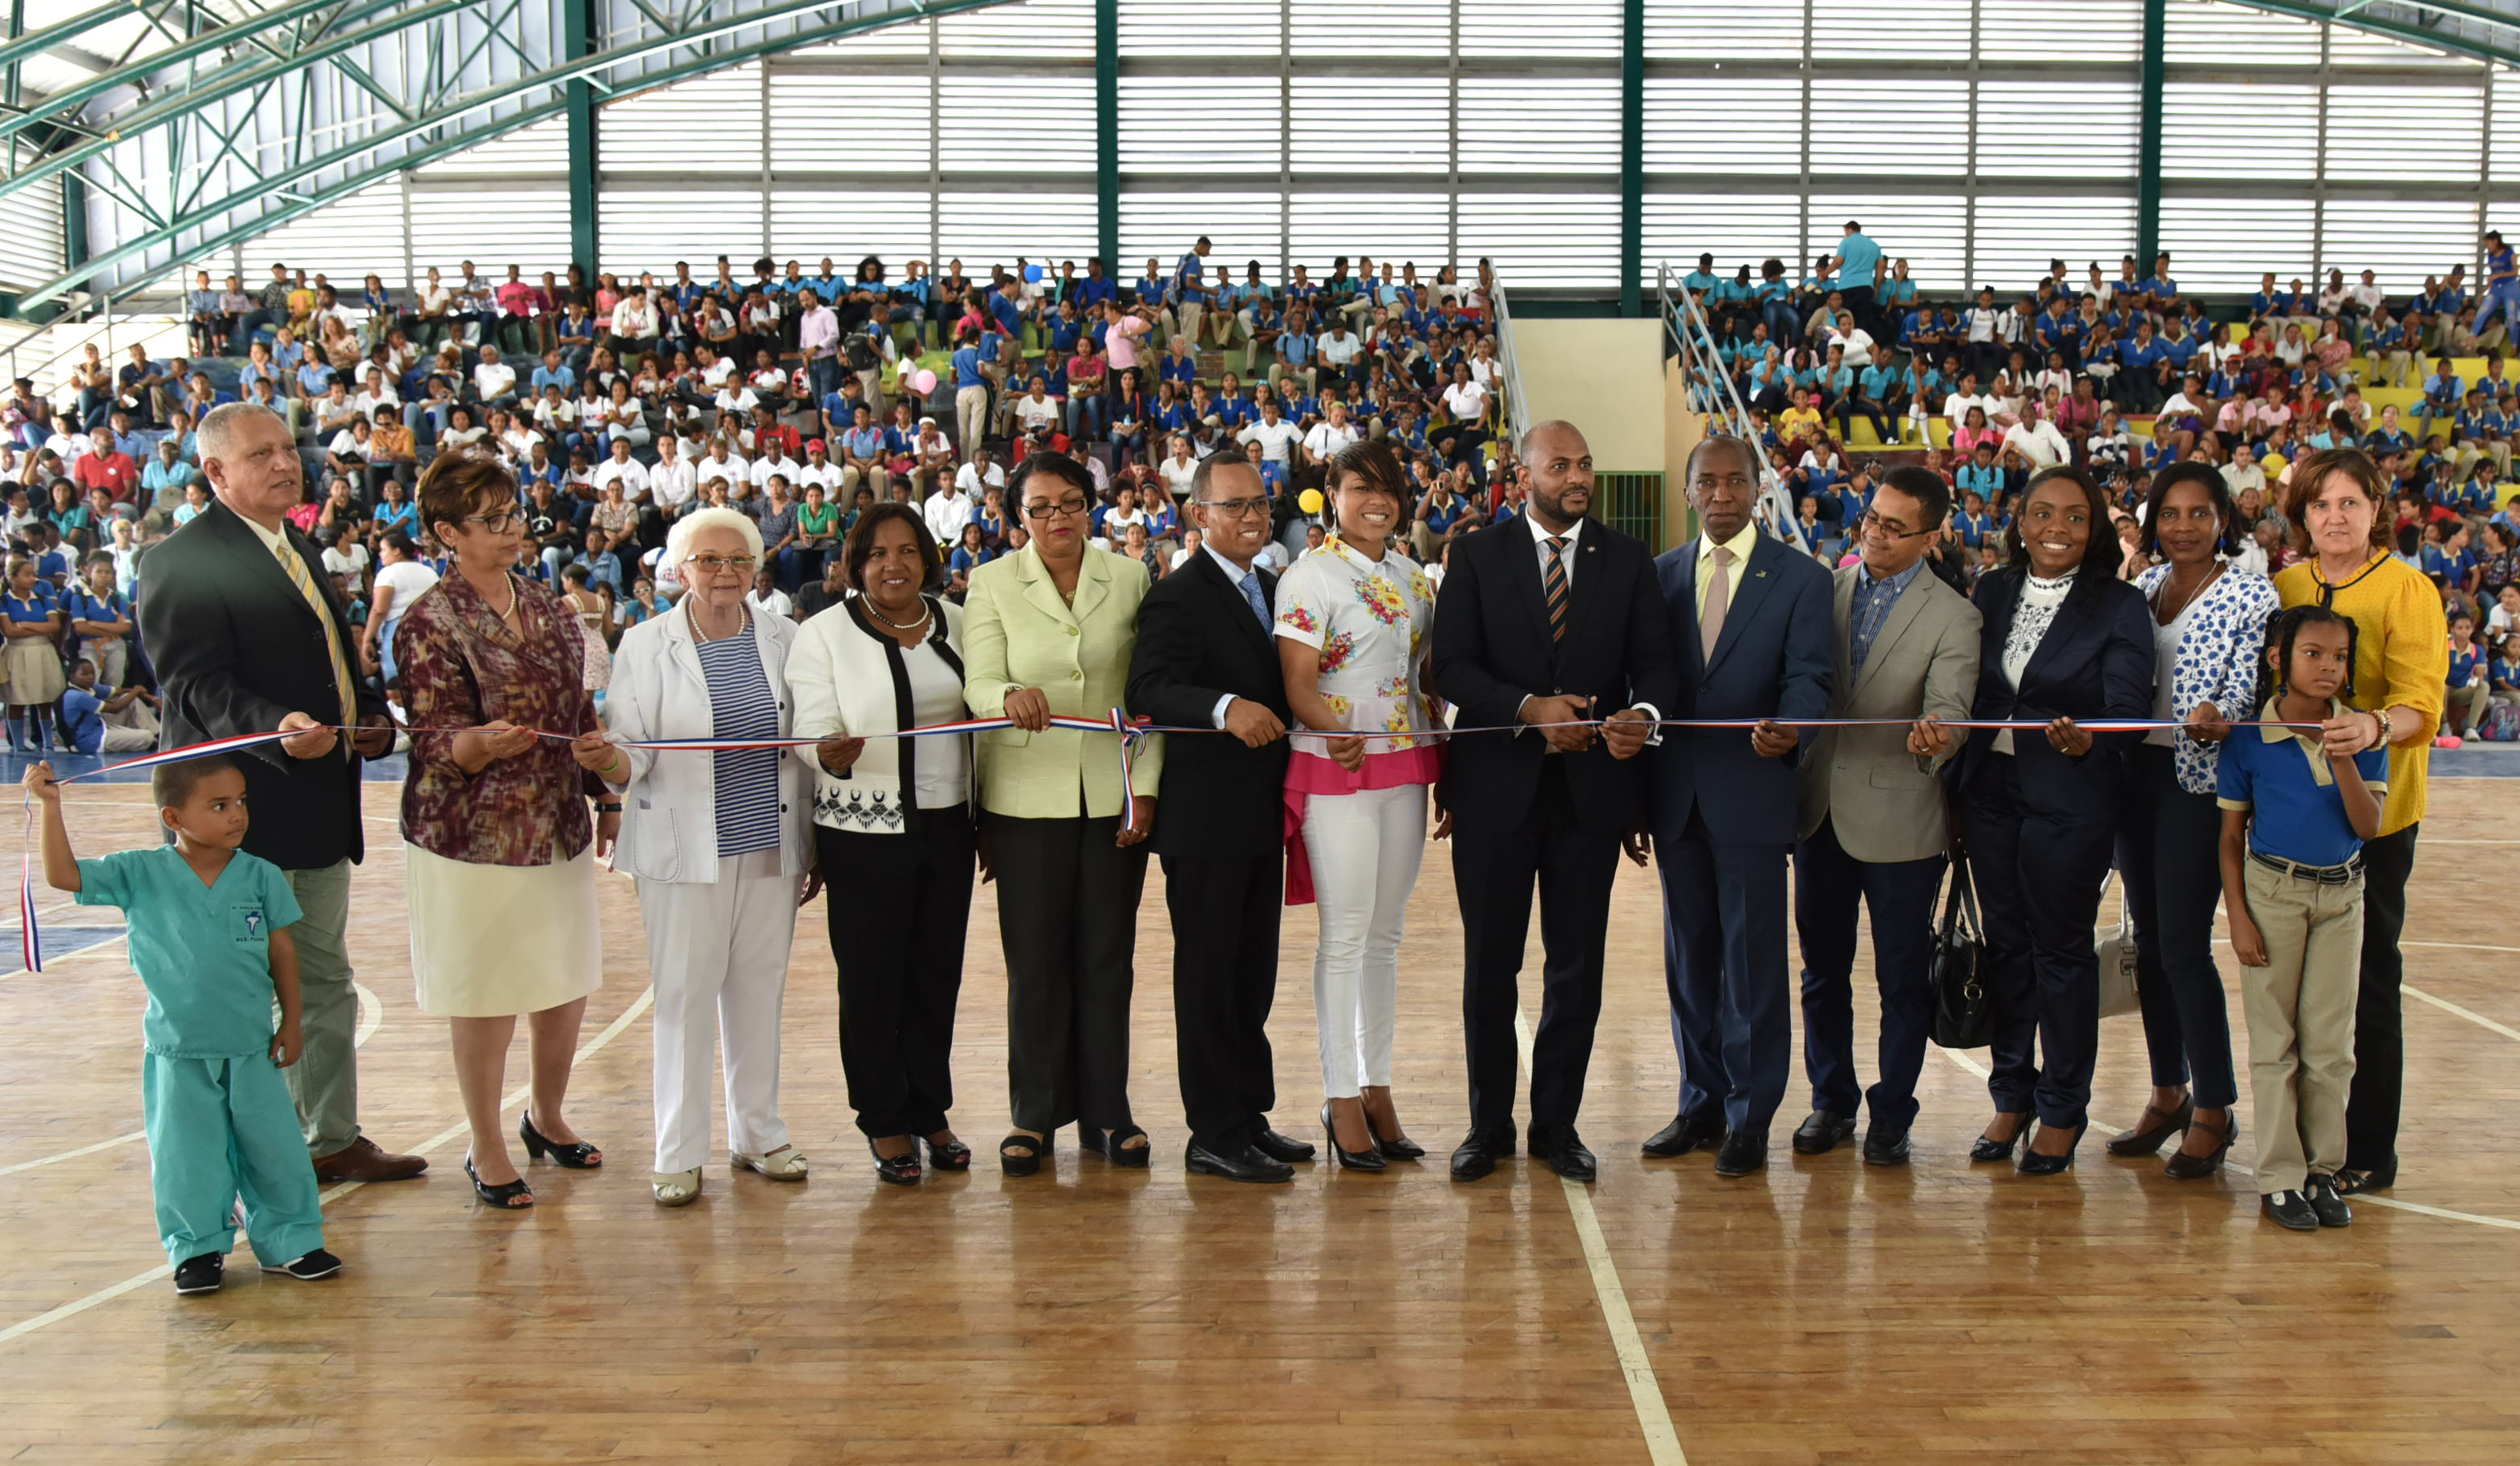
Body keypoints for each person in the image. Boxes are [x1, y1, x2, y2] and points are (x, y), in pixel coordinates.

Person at [135, 403, 420, 1185]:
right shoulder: (178, 560)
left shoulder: (295, 543)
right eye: (261, 454)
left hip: (318, 799)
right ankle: (250, 1160)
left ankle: (328, 1139)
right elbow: (193, 685)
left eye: (288, 448)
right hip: (235, 811)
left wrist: (363, 718)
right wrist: (277, 725)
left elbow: (327, 660)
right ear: (215, 473)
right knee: (237, 993)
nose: (284, 463)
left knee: (324, 977)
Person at [1428, 420, 1679, 1184]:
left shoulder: (1627, 559)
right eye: (1560, 464)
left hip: (1591, 799)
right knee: (1490, 970)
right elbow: (1453, 670)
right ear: (1523, 474)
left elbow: (1656, 669)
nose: (1577, 476)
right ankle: (1487, 1127)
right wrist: (1531, 708)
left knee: (1577, 970)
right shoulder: (1473, 554)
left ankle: (1557, 1127)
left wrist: (1644, 721)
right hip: (1494, 796)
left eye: (1586, 464)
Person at [26, 755, 342, 1294]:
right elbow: (63, 875)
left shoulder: (260, 875)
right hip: (178, 1052)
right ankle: (197, 1250)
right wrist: (51, 807)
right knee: (186, 1157)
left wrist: (292, 1021)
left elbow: (282, 951)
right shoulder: (139, 872)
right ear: (173, 818)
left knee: (276, 1150)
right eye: (219, 806)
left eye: (241, 802)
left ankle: (292, 1241)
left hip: (252, 1049)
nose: (236, 815)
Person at [395, 451, 612, 1210]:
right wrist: (475, 745)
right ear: (447, 532)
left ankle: (546, 1116)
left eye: (516, 512)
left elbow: (579, 709)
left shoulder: (551, 605)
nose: (513, 528)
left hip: (556, 821)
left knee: (565, 979)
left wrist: (604, 789)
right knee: (485, 991)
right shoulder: (428, 621)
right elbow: (429, 736)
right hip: (471, 837)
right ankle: (485, 1142)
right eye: (492, 520)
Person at [585, 506, 815, 1205]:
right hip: (684, 853)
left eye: (738, 560)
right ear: (680, 570)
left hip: (770, 844)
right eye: (709, 561)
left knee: (758, 992)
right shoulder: (645, 644)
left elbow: (807, 733)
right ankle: (678, 1152)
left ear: (756, 569)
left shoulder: (788, 637)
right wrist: (609, 762)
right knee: (683, 999)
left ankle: (759, 1135)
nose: (724, 573)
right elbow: (634, 750)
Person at [961, 451, 1164, 1176]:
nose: (1057, 519)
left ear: (1093, 508)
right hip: (1024, 799)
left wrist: (1145, 787)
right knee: (1036, 962)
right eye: (1041, 507)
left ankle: (1110, 1112)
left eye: (1070, 503)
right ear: (1017, 515)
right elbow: (981, 679)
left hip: (1112, 793)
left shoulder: (1133, 576)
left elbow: (1149, 695)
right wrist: (1006, 694)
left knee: (1109, 959)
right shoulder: (990, 583)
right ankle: (1035, 1115)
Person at [1951, 464, 2154, 1176]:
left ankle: (2063, 1106)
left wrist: (2091, 737)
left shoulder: (2120, 604)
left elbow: (2130, 713)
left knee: (2060, 954)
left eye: (2074, 516)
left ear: (2094, 526)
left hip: (2071, 794)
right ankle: (2013, 1093)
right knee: (2006, 946)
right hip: (1990, 791)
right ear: (2020, 520)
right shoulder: (1995, 588)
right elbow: (1975, 687)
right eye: (2042, 513)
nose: (2056, 529)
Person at [1644, 433, 1835, 1178]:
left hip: (1754, 793)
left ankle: (1750, 1115)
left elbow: (1813, 678)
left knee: (1752, 961)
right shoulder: (1657, 577)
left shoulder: (1802, 579)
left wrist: (1793, 728)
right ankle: (1699, 1101)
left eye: (1734, 481)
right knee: (1689, 959)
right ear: (1688, 490)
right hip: (1676, 799)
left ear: (1759, 487)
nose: (1720, 495)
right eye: (1706, 482)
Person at [1125, 452, 1314, 1183]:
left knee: (1251, 973)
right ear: (1197, 515)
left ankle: (1248, 1115)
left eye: (1260, 505)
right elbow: (1151, 686)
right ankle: (1212, 1131)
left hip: (1262, 814)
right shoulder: (1179, 594)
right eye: (1234, 506)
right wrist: (1225, 708)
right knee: (1208, 977)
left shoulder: (1272, 586)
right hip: (1206, 822)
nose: (1252, 517)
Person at [2271, 446, 2448, 1196]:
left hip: (2373, 817)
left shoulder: (2409, 592)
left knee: (2370, 980)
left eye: (2349, 503)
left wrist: (2374, 727)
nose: (2334, 517)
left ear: (2378, 509)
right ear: (2301, 515)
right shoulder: (2284, 584)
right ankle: (2299, 1142)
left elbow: (2423, 704)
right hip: (2289, 817)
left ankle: (2369, 1146)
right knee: (2293, 988)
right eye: (2320, 505)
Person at [1791, 466, 1980, 1166]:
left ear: (1932, 537)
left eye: (1896, 528)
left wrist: (1940, 738)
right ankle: (1830, 1102)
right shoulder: (1825, 589)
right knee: (1821, 973)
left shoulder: (1956, 616)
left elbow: (1953, 708)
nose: (1876, 534)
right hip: (1819, 813)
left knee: (1900, 980)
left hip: (1903, 819)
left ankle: (1892, 1113)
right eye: (1872, 519)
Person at [790, 504, 979, 1185]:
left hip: (951, 826)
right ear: (854, 564)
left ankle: (931, 1111)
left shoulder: (958, 623)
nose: (892, 565)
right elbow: (811, 726)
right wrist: (829, 752)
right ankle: (883, 1120)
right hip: (864, 833)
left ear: (927, 558)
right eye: (876, 554)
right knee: (872, 983)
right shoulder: (821, 635)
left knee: (936, 976)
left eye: (906, 551)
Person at [2107, 463, 2280, 1177]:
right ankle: (2167, 1090)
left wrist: (2223, 713)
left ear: (2222, 520)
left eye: (2198, 513)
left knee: (2181, 945)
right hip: (2133, 775)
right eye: (2170, 514)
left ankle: (2214, 1106)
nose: (2183, 526)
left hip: (2198, 782)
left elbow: (2253, 678)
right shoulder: (2141, 589)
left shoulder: (2250, 593)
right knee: (2146, 945)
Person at [1274, 439, 1443, 1172]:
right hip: (1334, 765)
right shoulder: (1308, 577)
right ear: (1331, 496)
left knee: (1386, 935)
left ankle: (1378, 1086)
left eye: (1389, 489)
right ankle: (1340, 1093)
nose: (1377, 501)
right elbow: (1298, 682)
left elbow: (1427, 671)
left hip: (1405, 764)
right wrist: (1332, 730)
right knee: (1343, 935)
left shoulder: (1413, 578)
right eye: (1359, 487)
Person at [2221, 605, 2385, 1231]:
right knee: (2275, 1043)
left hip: (2342, 898)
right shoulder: (2249, 737)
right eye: (2312, 653)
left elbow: (2366, 826)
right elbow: (2231, 836)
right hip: (2273, 894)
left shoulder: (2363, 734)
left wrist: (2342, 748)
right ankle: (2280, 1178)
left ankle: (2322, 1171)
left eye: (2339, 656)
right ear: (2278, 659)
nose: (2328, 667)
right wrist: (2237, 916)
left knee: (2329, 1047)